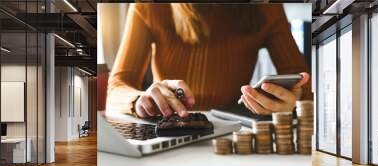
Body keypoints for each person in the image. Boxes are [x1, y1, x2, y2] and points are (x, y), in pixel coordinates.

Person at [106, 3, 311, 118]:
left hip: (234, 128)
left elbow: (304, 85)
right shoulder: (148, 7)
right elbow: (116, 88)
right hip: (168, 124)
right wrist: (138, 100)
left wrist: (293, 100)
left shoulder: (268, 10)